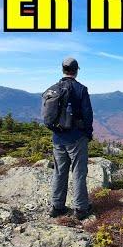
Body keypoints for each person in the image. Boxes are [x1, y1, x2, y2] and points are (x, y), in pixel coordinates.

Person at [49, 57, 94, 220]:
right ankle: (81, 208)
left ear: (63, 69)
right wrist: (88, 134)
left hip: (58, 138)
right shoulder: (81, 89)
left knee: (59, 172)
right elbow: (88, 114)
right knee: (79, 172)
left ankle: (57, 206)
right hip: (76, 138)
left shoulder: (53, 89)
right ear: (76, 70)